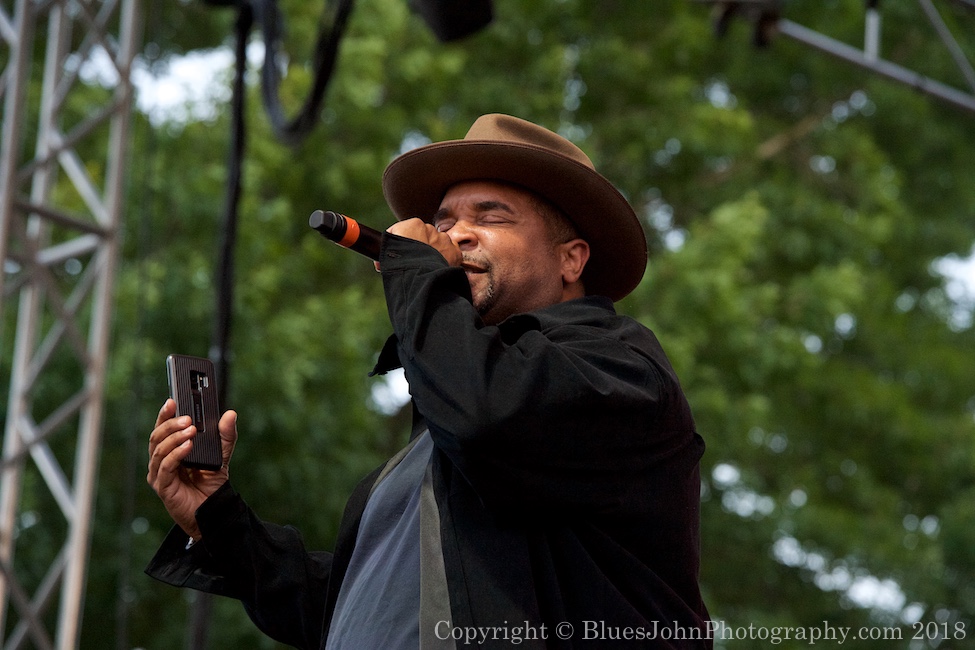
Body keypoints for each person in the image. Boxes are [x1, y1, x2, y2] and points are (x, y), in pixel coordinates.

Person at [146, 113, 712, 648]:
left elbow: (488, 418)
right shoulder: (437, 433)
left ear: (571, 259)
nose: (456, 234)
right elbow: (355, 612)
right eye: (442, 222)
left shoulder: (619, 365)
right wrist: (216, 519)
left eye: (490, 217)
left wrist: (419, 274)